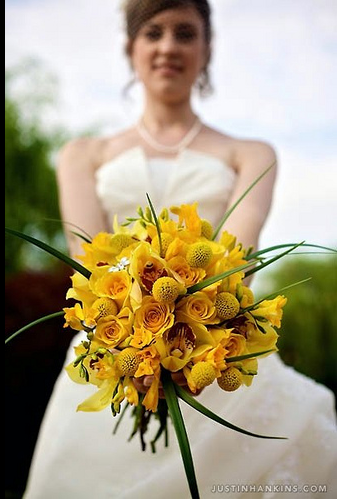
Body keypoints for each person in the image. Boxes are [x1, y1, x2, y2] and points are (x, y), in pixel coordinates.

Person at [24, 1, 337, 498]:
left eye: (185, 33)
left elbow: (242, 257)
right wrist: (132, 333)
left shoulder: (250, 154)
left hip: (215, 350)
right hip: (110, 348)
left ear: (207, 50)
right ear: (132, 47)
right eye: (154, 32)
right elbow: (88, 261)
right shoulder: (84, 154)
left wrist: (196, 328)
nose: (169, 45)